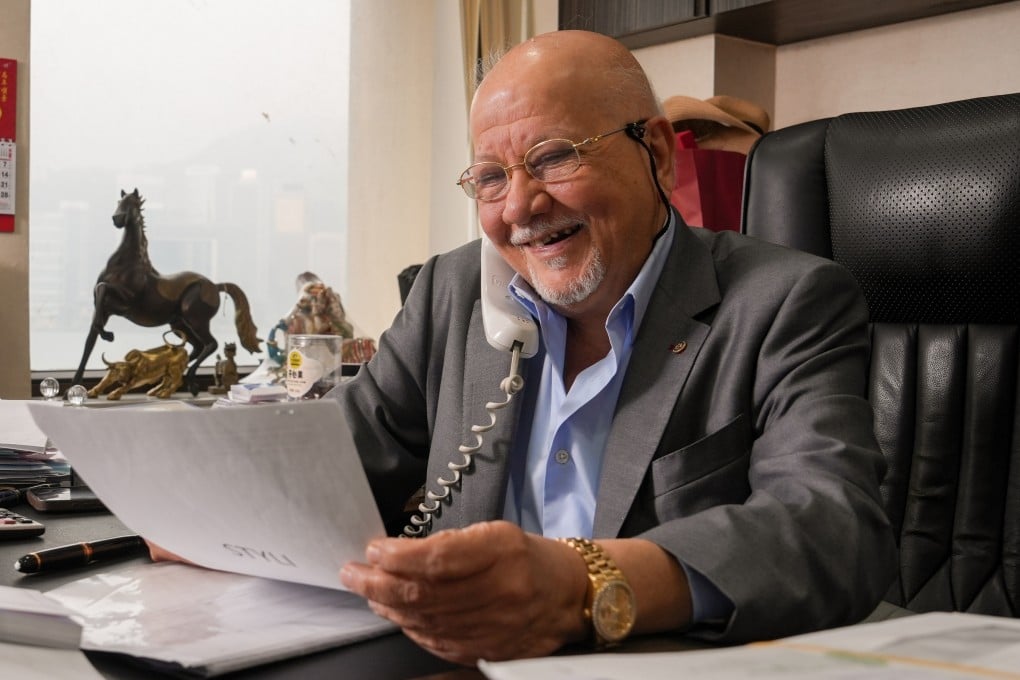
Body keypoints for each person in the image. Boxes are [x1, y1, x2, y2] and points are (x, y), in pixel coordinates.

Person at [149, 28, 895, 666]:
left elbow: (833, 530)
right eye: (490, 178)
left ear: (659, 157)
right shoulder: (451, 294)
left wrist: (583, 581)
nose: (520, 208)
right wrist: (212, 509)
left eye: (554, 156)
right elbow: (339, 458)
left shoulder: (787, 302)